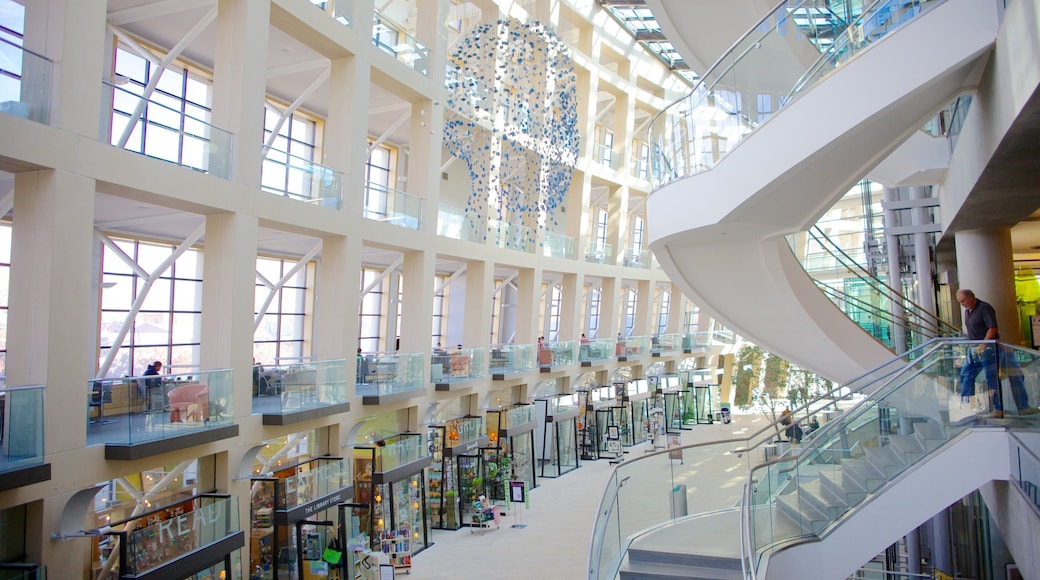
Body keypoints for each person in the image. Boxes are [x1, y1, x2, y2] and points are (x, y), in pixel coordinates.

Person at [957, 289, 1033, 418]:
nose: (962, 304)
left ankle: (1006, 408)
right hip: (975, 349)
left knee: (998, 377)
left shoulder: (984, 308)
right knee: (966, 375)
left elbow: (992, 328)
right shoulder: (967, 311)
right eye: (960, 302)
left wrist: (984, 345)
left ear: (971, 298)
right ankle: (967, 404)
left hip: (988, 349)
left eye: (963, 301)